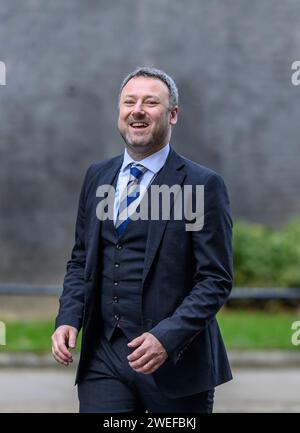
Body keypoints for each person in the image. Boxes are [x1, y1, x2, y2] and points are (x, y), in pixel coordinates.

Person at [52, 66, 233, 413]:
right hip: (103, 358)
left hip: (176, 363)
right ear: (120, 111)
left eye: (151, 102)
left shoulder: (201, 185)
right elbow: (80, 258)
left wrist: (166, 338)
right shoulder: (97, 176)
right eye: (129, 102)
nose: (137, 110)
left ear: (173, 114)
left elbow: (215, 280)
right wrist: (68, 317)